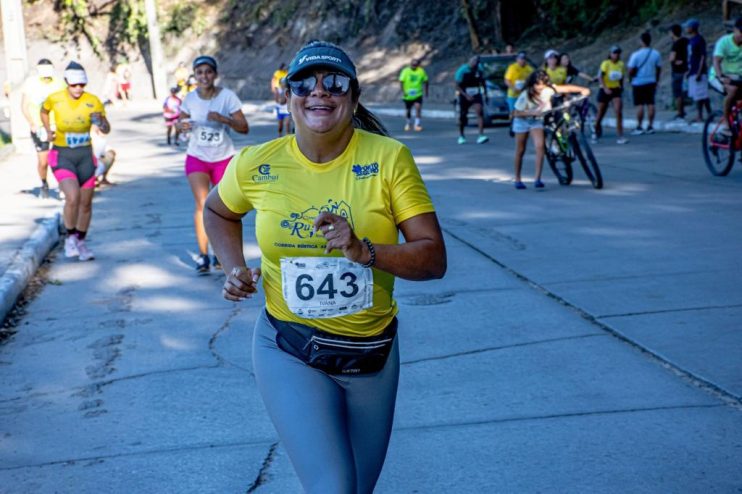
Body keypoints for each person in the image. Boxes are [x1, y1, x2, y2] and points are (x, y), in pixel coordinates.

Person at [203, 40, 446, 494]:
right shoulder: (256, 163)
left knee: (355, 488)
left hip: (370, 354)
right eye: (304, 83)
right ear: (288, 95)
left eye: (334, 83)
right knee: (332, 487)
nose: (319, 92)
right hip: (289, 346)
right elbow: (218, 211)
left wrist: (364, 251)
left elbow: (433, 258)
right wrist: (233, 267)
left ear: (353, 98)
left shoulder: (388, 159)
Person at [176, 55, 249, 273]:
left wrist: (224, 119)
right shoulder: (189, 99)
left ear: (215, 75)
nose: (204, 76)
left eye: (208, 72)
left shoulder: (227, 97)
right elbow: (179, 124)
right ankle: (203, 255)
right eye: (199, 72)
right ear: (195, 76)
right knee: (202, 204)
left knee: (226, 206)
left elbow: (244, 128)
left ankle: (223, 253)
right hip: (197, 157)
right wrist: (183, 127)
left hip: (223, 158)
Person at [40, 61, 111, 261]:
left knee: (86, 204)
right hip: (62, 155)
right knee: (73, 197)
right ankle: (70, 237)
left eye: (82, 85)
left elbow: (106, 129)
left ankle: (80, 240)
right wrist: (47, 130)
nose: (78, 89)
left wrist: (101, 122)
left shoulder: (93, 101)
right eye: (74, 85)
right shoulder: (55, 99)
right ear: (66, 83)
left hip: (85, 156)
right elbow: (43, 111)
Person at [512, 70, 590, 189]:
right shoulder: (526, 94)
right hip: (522, 121)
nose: (540, 87)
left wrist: (582, 89)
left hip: (536, 121)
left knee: (540, 147)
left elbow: (566, 88)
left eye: (543, 84)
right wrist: (531, 112)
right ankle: (517, 178)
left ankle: (537, 179)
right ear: (532, 84)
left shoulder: (548, 90)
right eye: (537, 84)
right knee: (520, 150)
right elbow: (515, 113)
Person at [20, 59, 66, 198]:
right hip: (39, 127)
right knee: (43, 161)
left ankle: (63, 184)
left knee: (61, 157)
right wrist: (31, 123)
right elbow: (24, 105)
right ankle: (44, 183)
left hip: (56, 125)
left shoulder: (59, 83)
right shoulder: (31, 83)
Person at [627, 32, 662, 135]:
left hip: (638, 82)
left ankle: (639, 126)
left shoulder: (636, 55)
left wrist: (630, 78)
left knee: (640, 105)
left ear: (641, 41)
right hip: (651, 81)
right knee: (651, 103)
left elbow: (630, 69)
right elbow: (658, 68)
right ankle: (650, 126)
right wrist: (657, 79)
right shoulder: (656, 53)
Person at [713, 17, 742, 134]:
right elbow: (716, 61)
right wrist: (721, 76)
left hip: (737, 76)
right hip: (720, 75)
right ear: (735, 30)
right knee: (733, 90)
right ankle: (726, 123)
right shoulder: (724, 42)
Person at [595, 45, 628, 144]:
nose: (616, 55)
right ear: (610, 54)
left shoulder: (621, 64)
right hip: (605, 89)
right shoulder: (606, 63)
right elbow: (600, 76)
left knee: (618, 111)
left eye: (618, 53)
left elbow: (621, 76)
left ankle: (620, 135)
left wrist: (621, 86)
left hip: (615, 89)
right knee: (601, 112)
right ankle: (595, 128)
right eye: (614, 53)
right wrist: (605, 88)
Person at [455, 55, 489, 144]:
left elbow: (483, 82)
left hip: (476, 93)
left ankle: (481, 135)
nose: (475, 63)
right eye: (474, 61)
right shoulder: (462, 70)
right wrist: (465, 95)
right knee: (463, 115)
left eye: (477, 62)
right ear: (469, 61)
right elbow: (457, 85)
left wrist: (485, 94)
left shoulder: (479, 69)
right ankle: (461, 135)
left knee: (479, 111)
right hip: (464, 93)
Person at [685, 19, 712, 122]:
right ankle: (702, 114)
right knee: (698, 95)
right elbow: (690, 56)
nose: (686, 29)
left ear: (692, 28)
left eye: (688, 27)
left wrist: (699, 71)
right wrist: (688, 70)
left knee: (701, 94)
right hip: (692, 70)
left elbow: (702, 56)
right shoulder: (690, 40)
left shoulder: (699, 39)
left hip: (698, 71)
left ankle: (704, 114)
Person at [398, 58, 429, 131]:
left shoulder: (421, 71)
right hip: (408, 95)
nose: (414, 66)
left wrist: (426, 91)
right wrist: (403, 91)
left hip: (418, 94)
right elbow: (401, 81)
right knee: (408, 110)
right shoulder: (405, 71)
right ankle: (408, 123)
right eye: (412, 65)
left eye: (415, 65)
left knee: (418, 108)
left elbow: (426, 81)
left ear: (418, 65)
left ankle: (417, 124)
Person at [668, 24, 689, 120]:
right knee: (684, 92)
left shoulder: (676, 44)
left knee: (677, 93)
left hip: (677, 71)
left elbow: (672, 58)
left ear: (673, 32)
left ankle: (680, 112)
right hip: (687, 69)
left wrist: (673, 60)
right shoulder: (686, 41)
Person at [504, 51, 534, 117]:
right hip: (513, 95)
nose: (522, 60)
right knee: (513, 113)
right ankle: (512, 125)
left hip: (524, 94)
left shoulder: (530, 69)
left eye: (524, 59)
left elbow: (533, 81)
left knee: (524, 112)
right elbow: (507, 80)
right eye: (520, 59)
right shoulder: (512, 68)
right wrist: (513, 88)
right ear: (517, 59)